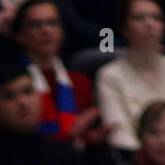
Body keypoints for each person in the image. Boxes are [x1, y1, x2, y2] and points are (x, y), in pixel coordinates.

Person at [93, 0, 165, 154]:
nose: (149, 24)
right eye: (139, 18)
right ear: (124, 28)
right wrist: (151, 161)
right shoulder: (109, 75)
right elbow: (119, 134)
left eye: (156, 18)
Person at [11, 0, 101, 145]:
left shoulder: (81, 82)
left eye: (52, 23)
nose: (46, 30)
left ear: (62, 31)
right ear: (20, 35)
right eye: (35, 25)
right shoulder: (11, 83)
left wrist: (92, 136)